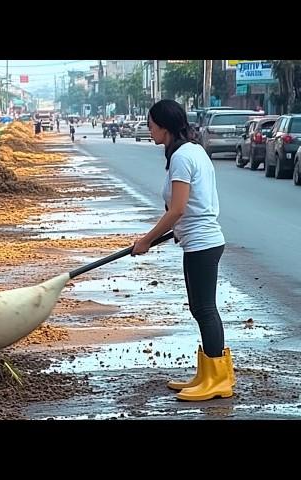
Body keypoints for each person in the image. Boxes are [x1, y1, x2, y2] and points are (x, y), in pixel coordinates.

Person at [131, 99, 234, 402]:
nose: (149, 131)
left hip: (203, 242)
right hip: (200, 239)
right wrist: (175, 231)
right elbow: (191, 206)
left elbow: (177, 209)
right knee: (201, 308)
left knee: (204, 309)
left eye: (150, 125)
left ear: (163, 125)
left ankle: (218, 380)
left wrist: (147, 239)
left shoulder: (182, 157)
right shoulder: (192, 150)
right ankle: (211, 373)